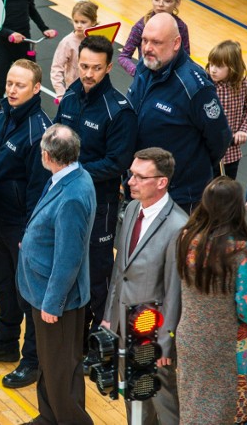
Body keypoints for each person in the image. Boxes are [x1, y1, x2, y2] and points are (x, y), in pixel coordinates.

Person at [54, 35, 137, 370]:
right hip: (65, 202)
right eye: (84, 66)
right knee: (69, 265)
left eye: (95, 68)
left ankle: (100, 340)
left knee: (97, 273)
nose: (87, 73)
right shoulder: (71, 95)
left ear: (109, 67)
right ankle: (73, 332)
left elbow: (117, 163)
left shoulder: (119, 111)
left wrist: (74, 172)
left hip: (99, 206)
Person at [0, 59, 52, 388]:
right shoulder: (4, 115)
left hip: (23, 228)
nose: (11, 89)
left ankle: (33, 359)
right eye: (9, 83)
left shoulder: (39, 131)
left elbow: (39, 189)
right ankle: (5, 341)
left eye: (19, 85)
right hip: (1, 220)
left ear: (36, 89)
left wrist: (30, 233)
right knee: (3, 286)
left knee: (29, 297)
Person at [17, 124, 96, 425]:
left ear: (48, 156)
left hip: (58, 301)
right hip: (43, 292)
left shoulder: (73, 194)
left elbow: (68, 258)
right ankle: (48, 418)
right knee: (50, 365)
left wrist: (53, 303)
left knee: (62, 371)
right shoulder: (71, 176)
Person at [176, 176, 247, 424]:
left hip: (191, 339)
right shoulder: (241, 253)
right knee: (231, 412)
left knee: (194, 406)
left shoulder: (186, 238)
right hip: (227, 346)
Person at [102, 147, 186, 425]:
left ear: (161, 182)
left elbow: (175, 291)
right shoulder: (133, 208)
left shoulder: (179, 227)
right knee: (134, 402)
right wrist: (108, 317)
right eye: (131, 174)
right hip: (125, 327)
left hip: (152, 334)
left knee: (165, 406)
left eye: (139, 177)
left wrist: (165, 342)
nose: (130, 182)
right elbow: (120, 270)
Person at [127, 12, 230, 214]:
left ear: (176, 43)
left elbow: (220, 138)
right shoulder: (145, 66)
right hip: (144, 186)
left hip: (180, 197)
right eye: (144, 41)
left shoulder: (194, 86)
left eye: (156, 42)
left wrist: (190, 168)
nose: (147, 48)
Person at [0, 0, 57, 116]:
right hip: (5, 44)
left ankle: (32, 113)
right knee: (0, 84)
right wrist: (10, 33)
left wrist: (44, 28)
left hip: (24, 42)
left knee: (31, 80)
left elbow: (31, 9)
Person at [207, 40, 247, 180]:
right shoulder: (205, 84)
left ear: (232, 67)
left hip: (231, 153)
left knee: (226, 194)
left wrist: (243, 129)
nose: (213, 69)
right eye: (211, 64)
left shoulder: (242, 85)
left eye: (219, 66)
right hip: (206, 153)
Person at [118, 0, 189, 77]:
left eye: (167, 1)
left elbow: (186, 60)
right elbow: (124, 56)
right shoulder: (141, 26)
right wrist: (139, 74)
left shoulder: (181, 28)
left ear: (177, 2)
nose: (160, 4)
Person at [49, 0, 99, 101]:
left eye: (83, 22)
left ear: (93, 22)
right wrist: (60, 93)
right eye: (76, 21)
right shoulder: (67, 42)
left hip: (95, 91)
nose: (79, 25)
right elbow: (56, 68)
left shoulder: (98, 38)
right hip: (74, 93)